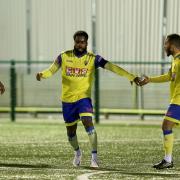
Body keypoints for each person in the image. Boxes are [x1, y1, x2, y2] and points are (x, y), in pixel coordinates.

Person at [36, 30, 140, 168]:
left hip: (83, 98)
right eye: (77, 42)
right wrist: (42, 74)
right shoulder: (64, 56)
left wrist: (130, 76)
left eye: (83, 42)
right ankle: (78, 152)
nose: (80, 44)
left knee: (87, 122)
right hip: (67, 100)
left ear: (86, 43)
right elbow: (51, 70)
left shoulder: (93, 59)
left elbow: (112, 67)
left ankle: (94, 158)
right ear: (74, 42)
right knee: (70, 132)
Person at [139, 34, 180, 169]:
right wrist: (150, 80)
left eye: (166, 44)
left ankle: (168, 160)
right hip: (176, 100)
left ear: (172, 46)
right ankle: (167, 160)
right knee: (166, 126)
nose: (164, 46)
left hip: (178, 101)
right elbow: (169, 76)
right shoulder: (175, 60)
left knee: (166, 125)